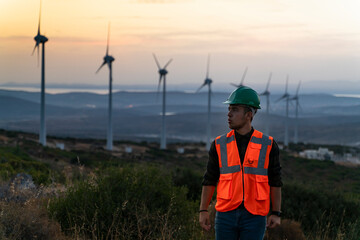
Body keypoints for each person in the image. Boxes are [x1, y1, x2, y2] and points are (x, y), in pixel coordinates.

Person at [199, 86, 282, 240]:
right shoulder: (219, 144)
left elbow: (275, 181)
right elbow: (209, 179)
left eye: (235, 109)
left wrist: (276, 213)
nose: (228, 114)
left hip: (255, 216)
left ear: (249, 114)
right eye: (229, 109)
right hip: (225, 215)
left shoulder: (268, 144)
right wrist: (203, 210)